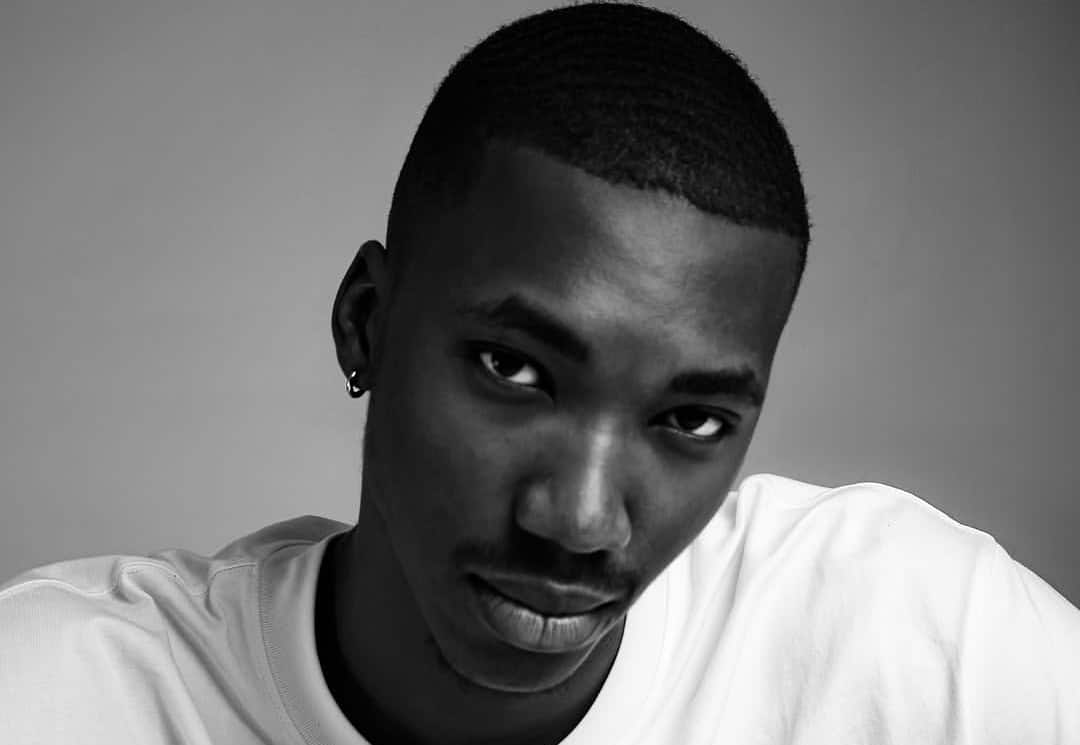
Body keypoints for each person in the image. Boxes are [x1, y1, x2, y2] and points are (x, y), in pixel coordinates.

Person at [1, 3, 1077, 744]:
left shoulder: (907, 637)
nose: (582, 520)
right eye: (514, 369)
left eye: (692, 419)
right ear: (366, 322)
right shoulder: (56, 694)